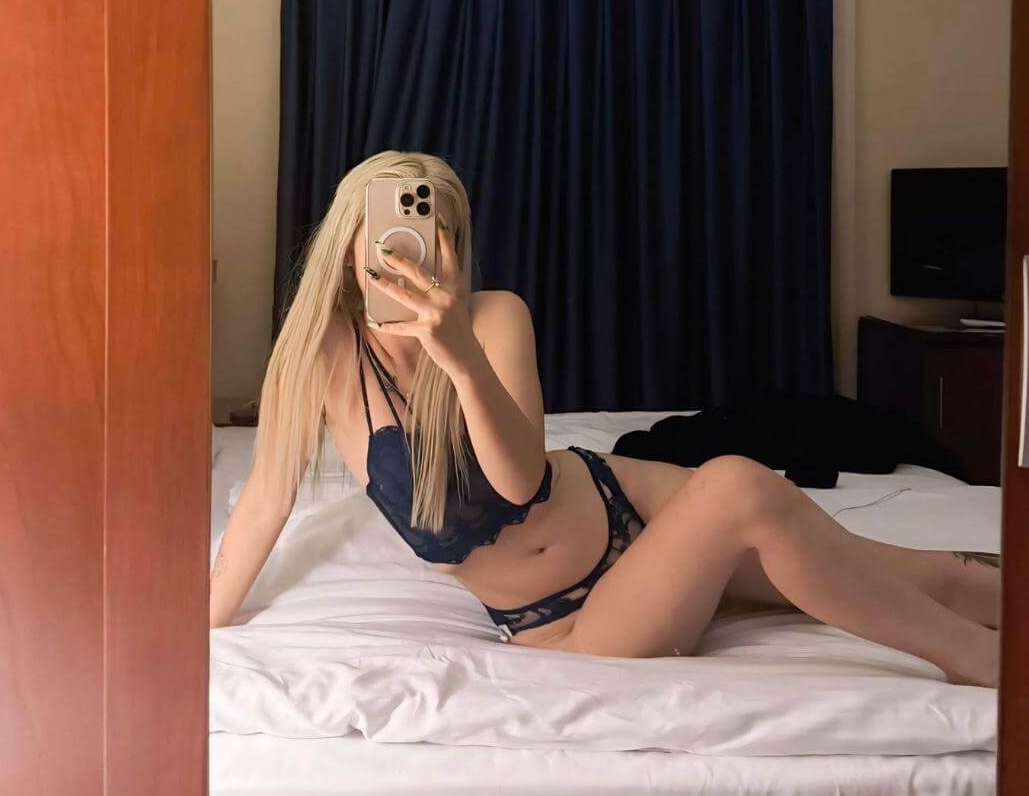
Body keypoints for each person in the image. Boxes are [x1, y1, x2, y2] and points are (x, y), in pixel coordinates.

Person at [210, 151, 1000, 687]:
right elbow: (266, 500)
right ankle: (972, 661)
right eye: (387, 230)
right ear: (347, 241)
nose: (407, 250)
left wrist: (458, 352)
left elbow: (523, 471)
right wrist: (203, 620)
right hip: (565, 618)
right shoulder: (318, 359)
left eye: (432, 229)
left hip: (624, 499)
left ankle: (990, 607)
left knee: (918, 572)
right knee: (738, 486)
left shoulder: (493, 316)